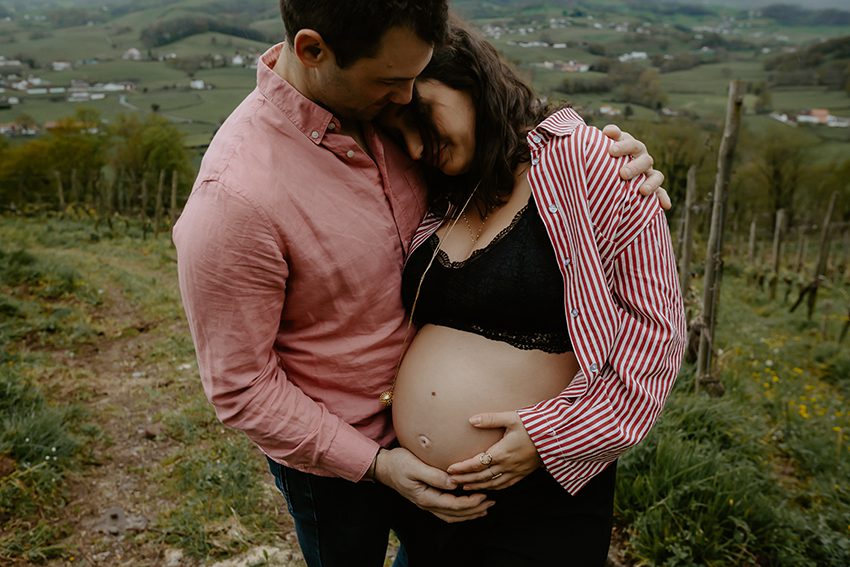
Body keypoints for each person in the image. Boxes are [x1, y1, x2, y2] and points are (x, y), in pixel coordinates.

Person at [172, 2, 668, 566]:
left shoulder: (423, 138)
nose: (404, 107)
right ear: (313, 51)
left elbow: (648, 324)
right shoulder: (234, 197)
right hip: (338, 463)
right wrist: (377, 464)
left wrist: (620, 163)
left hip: (507, 483)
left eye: (416, 83)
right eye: (392, 84)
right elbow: (240, 387)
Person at [379, 21, 687, 566]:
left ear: (470, 81)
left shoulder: (586, 163)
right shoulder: (438, 193)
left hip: (540, 506)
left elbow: (655, 336)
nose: (412, 145)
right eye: (395, 132)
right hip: (430, 512)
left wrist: (552, 438)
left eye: (419, 116)